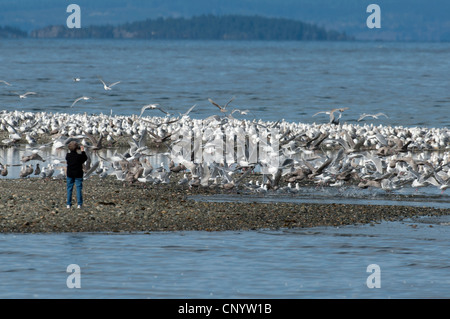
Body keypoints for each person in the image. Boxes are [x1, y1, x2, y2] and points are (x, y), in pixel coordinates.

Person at [66, 141, 88, 209]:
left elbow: (68, 157)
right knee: (78, 189)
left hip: (70, 174)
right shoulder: (79, 156)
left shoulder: (68, 156)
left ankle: (68, 204)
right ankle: (79, 204)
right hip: (78, 174)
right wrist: (82, 151)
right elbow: (85, 158)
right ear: (77, 148)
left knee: (69, 189)